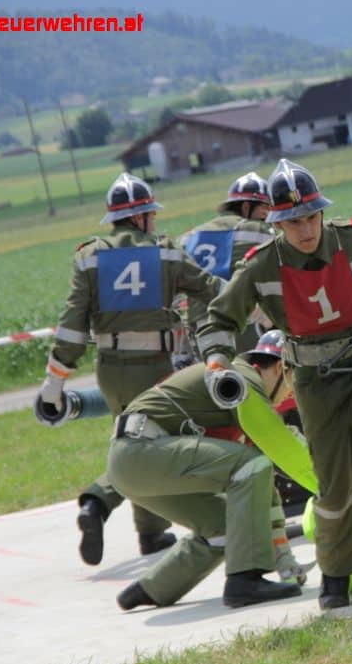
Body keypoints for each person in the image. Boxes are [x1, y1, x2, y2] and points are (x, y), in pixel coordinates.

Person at [197, 158, 352, 610]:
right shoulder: (259, 267)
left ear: (322, 213)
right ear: (277, 223)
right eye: (292, 221)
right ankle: (336, 576)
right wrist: (216, 363)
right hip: (312, 382)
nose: (305, 229)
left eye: (311, 216)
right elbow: (217, 318)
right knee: (334, 488)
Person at [38, 173, 220, 565]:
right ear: (140, 218)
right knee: (148, 447)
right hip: (153, 367)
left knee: (131, 438)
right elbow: (208, 287)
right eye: (151, 215)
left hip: (109, 369)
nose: (154, 222)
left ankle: (151, 535)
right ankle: (98, 501)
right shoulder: (166, 252)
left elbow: (72, 325)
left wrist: (54, 385)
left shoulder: (89, 256)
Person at [108, 333, 305, 610]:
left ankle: (154, 587)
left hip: (131, 463)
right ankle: (245, 581)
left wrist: (285, 557)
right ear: (279, 368)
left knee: (226, 526)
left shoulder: (240, 393)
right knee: (249, 464)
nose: (292, 393)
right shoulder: (243, 379)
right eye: (294, 382)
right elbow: (270, 458)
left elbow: (263, 490)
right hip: (141, 451)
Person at [178, 172, 276, 355]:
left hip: (199, 332)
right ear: (246, 206)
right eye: (265, 209)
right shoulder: (258, 230)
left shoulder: (189, 236)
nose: (269, 216)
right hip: (240, 327)